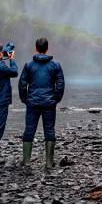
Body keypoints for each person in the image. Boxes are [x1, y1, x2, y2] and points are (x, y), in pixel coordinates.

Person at [19, 37, 65, 168]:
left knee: (29, 130)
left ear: (35, 49)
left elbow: (22, 84)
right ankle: (49, 163)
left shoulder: (29, 65)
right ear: (47, 48)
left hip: (32, 102)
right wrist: (56, 99)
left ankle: (26, 161)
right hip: (49, 103)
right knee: (49, 130)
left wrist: (25, 99)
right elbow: (60, 84)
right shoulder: (55, 65)